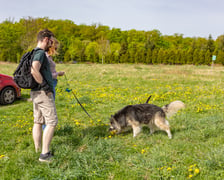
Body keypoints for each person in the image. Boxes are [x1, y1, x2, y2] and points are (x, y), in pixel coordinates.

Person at [30, 29, 58, 162]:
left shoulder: (33, 52)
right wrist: (44, 86)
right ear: (46, 39)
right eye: (51, 40)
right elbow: (34, 69)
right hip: (42, 92)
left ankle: (37, 149)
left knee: (38, 121)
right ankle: (45, 155)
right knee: (52, 121)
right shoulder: (40, 53)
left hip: (35, 92)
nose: (51, 44)